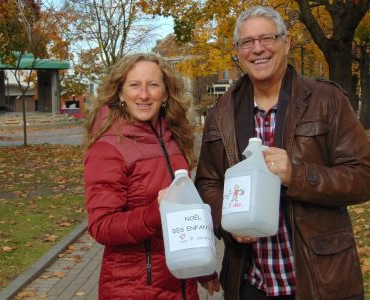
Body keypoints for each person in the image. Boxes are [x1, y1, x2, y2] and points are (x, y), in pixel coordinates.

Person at [195, 6, 370, 300]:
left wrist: (296, 175)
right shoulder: (221, 113)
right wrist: (227, 219)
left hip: (319, 281)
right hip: (250, 283)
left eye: (267, 38)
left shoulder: (327, 100)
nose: (258, 49)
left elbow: (363, 175)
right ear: (238, 51)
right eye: (247, 42)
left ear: (286, 43)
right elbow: (207, 183)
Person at [83, 53, 219, 299]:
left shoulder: (173, 138)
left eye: (153, 85)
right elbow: (101, 226)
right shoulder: (108, 147)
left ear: (166, 93)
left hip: (179, 283)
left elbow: (185, 213)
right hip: (134, 288)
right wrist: (156, 212)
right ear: (120, 93)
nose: (144, 95)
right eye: (134, 85)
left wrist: (203, 268)